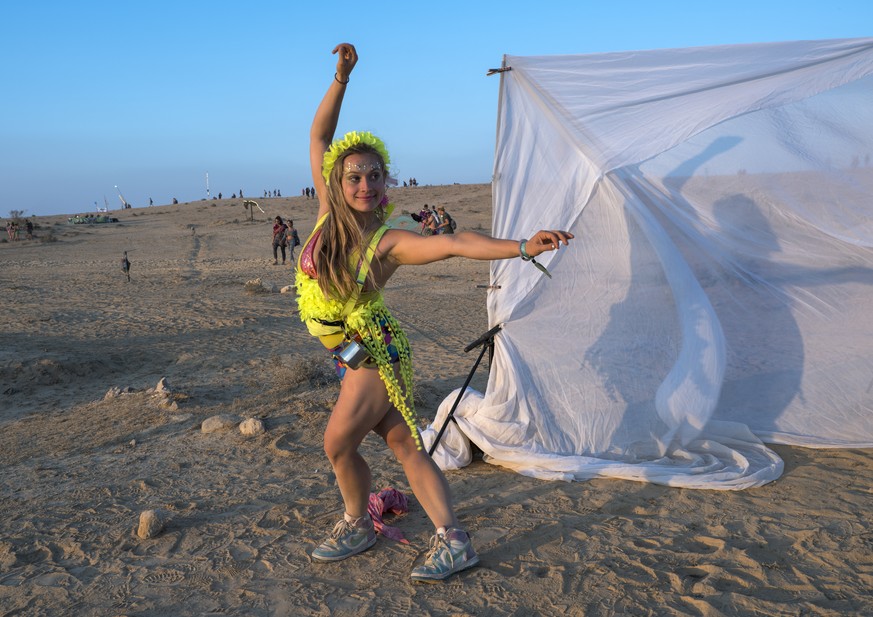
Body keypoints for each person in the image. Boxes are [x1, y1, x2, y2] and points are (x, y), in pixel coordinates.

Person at [296, 43, 573, 582]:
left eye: (375, 176)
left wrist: (522, 246)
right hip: (352, 349)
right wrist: (341, 78)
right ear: (337, 180)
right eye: (354, 176)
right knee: (403, 445)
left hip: (372, 351)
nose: (364, 184)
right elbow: (319, 137)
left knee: (337, 443)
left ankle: (356, 521)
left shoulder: (387, 242)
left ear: (385, 183)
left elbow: (454, 243)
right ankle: (454, 541)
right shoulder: (327, 215)